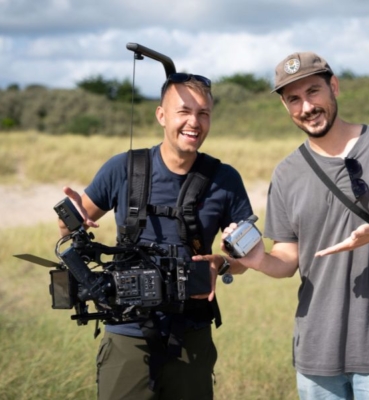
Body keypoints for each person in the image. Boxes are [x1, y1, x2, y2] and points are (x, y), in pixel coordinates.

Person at [223, 52, 369, 400]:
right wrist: (257, 259)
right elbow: (287, 260)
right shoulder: (287, 173)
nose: (306, 107)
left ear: (334, 87)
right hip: (317, 349)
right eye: (293, 100)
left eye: (313, 92)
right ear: (286, 107)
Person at [58, 73, 252, 400]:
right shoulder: (122, 169)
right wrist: (71, 220)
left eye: (204, 113)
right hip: (127, 333)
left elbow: (247, 259)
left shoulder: (225, 179)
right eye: (184, 111)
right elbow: (71, 228)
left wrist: (222, 263)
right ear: (161, 115)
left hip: (191, 332)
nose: (194, 122)